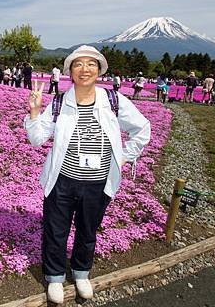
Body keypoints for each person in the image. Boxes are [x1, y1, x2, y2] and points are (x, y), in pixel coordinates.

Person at [23, 45, 151, 304]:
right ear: (70, 71)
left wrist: (124, 156)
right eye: (78, 64)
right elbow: (37, 139)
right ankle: (55, 277)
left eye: (90, 64)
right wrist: (35, 111)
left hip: (97, 182)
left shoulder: (114, 101)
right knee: (56, 231)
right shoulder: (60, 102)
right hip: (62, 182)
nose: (85, 69)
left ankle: (81, 273)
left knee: (87, 231)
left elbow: (142, 128)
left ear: (99, 70)